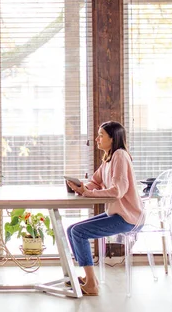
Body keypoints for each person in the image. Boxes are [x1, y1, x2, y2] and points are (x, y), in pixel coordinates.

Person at [65, 121, 143, 296]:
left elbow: (118, 191)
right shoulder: (108, 157)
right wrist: (82, 187)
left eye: (101, 135)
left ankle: (91, 284)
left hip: (128, 218)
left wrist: (87, 193)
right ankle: (88, 276)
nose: (96, 138)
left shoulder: (120, 156)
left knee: (78, 232)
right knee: (72, 229)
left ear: (112, 138)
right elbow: (95, 181)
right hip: (116, 214)